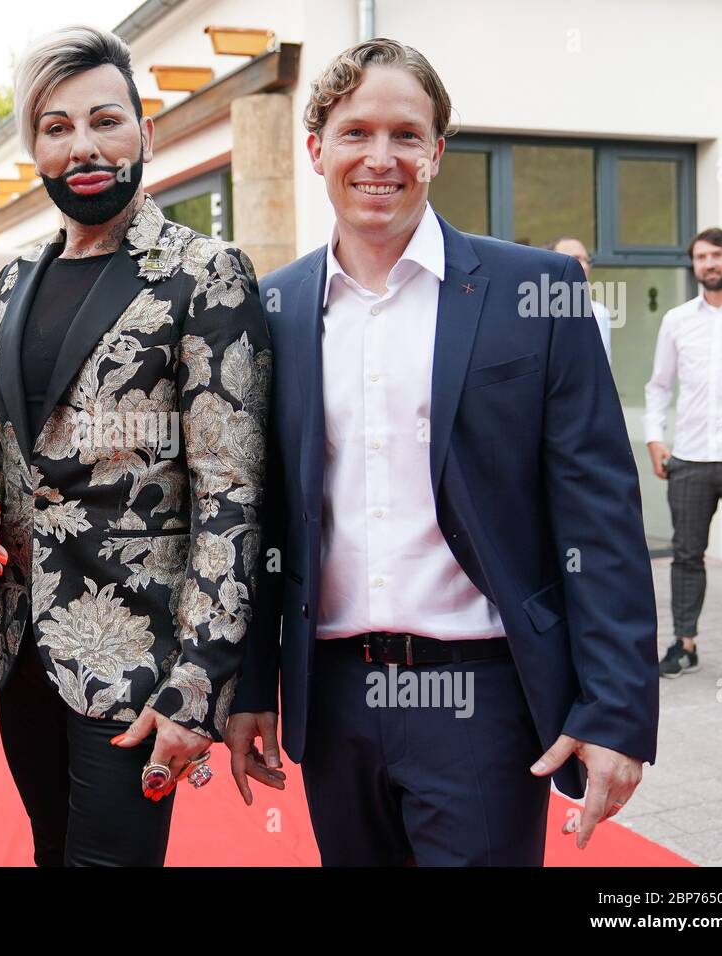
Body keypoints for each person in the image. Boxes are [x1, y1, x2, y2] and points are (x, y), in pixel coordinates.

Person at [226, 38, 658, 866]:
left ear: (437, 151)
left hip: (485, 699)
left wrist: (616, 712)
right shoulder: (270, 309)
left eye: (406, 135)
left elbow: (598, 517)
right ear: (316, 150)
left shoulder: (537, 292)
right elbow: (256, 517)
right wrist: (250, 690)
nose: (380, 158)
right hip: (334, 697)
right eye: (355, 133)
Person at [0, 25, 271, 866]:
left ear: (145, 134)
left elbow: (232, 494)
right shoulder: (16, 279)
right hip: (21, 648)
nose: (83, 145)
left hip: (139, 658)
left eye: (105, 120)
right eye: (56, 127)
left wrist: (198, 684)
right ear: (35, 151)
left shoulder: (206, 271)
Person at [645, 227, 722, 693]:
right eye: (700, 257)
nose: (708, 264)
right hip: (691, 457)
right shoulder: (678, 320)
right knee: (685, 555)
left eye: (716, 255)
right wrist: (655, 438)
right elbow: (658, 386)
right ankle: (685, 644)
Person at [546, 236, 612, 361]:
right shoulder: (532, 310)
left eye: (587, 260)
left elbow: (602, 368)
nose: (585, 266)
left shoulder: (599, 312)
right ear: (550, 264)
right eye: (576, 259)